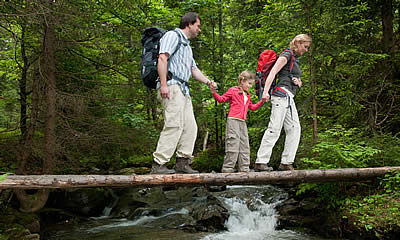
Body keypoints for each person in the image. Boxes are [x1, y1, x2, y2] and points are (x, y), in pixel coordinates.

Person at [151, 12, 217, 174]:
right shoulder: (172, 36)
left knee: (190, 126)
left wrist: (208, 82)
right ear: (189, 24)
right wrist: (164, 84)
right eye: (198, 26)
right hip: (171, 86)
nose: (199, 30)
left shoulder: (187, 46)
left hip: (183, 90)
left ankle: (182, 162)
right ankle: (158, 164)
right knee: (174, 124)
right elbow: (162, 58)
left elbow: (193, 70)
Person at [255, 34, 312, 171]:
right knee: (274, 128)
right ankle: (260, 162)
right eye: (305, 47)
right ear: (298, 43)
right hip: (280, 96)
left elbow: (288, 75)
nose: (306, 50)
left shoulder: (294, 59)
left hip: (288, 97)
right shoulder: (286, 54)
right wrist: (265, 92)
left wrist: (297, 81)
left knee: (294, 129)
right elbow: (273, 72)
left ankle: (286, 162)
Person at [211, 71, 265, 173]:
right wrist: (213, 92)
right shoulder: (233, 90)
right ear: (241, 81)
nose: (250, 86)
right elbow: (221, 99)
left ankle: (244, 168)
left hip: (243, 122)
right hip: (233, 120)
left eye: (251, 84)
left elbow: (252, 108)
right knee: (233, 143)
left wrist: (262, 101)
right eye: (249, 83)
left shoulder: (247, 95)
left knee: (244, 144)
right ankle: (227, 169)